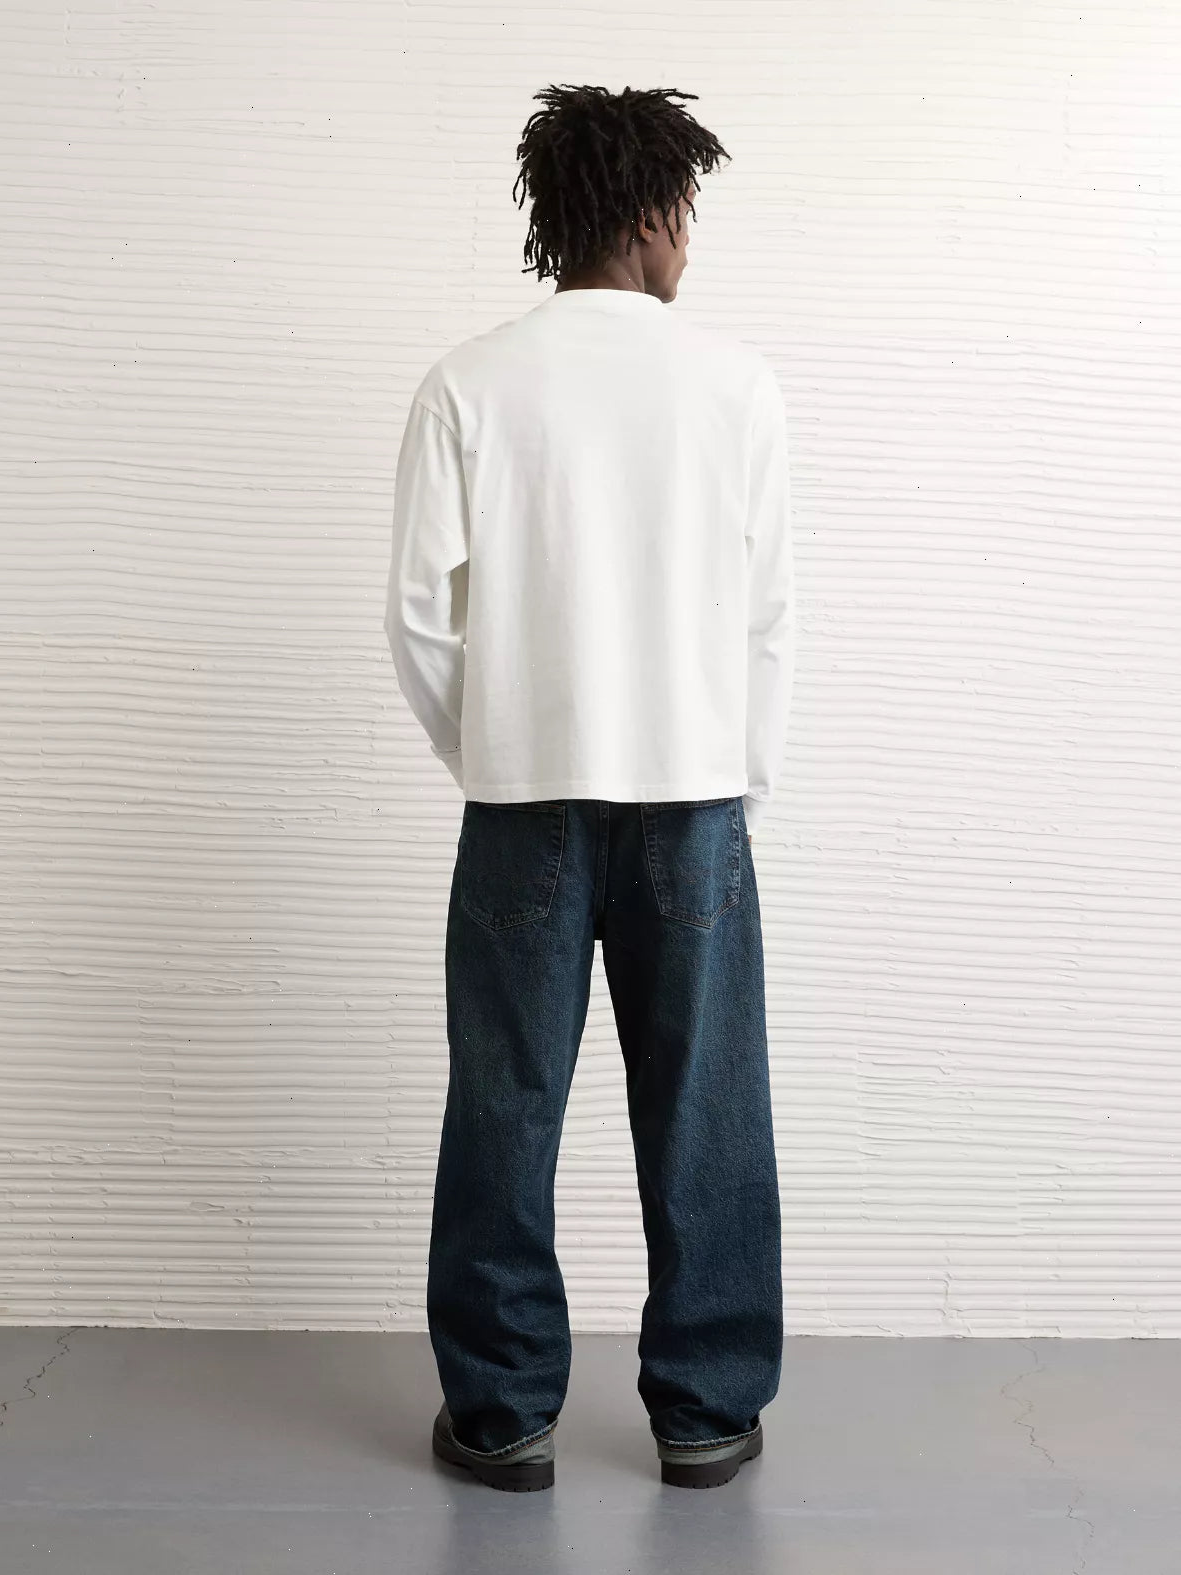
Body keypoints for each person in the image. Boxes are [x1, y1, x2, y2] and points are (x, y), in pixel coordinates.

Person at [384, 82, 795, 1492]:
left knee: (505, 1103)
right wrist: (739, 782)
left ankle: (501, 1415)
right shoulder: (734, 385)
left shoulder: (468, 384)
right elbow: (767, 618)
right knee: (707, 1105)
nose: (691, 242)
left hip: (522, 806)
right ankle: (705, 1412)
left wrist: (489, 749)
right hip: (692, 795)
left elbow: (420, 618)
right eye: (688, 212)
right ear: (651, 212)